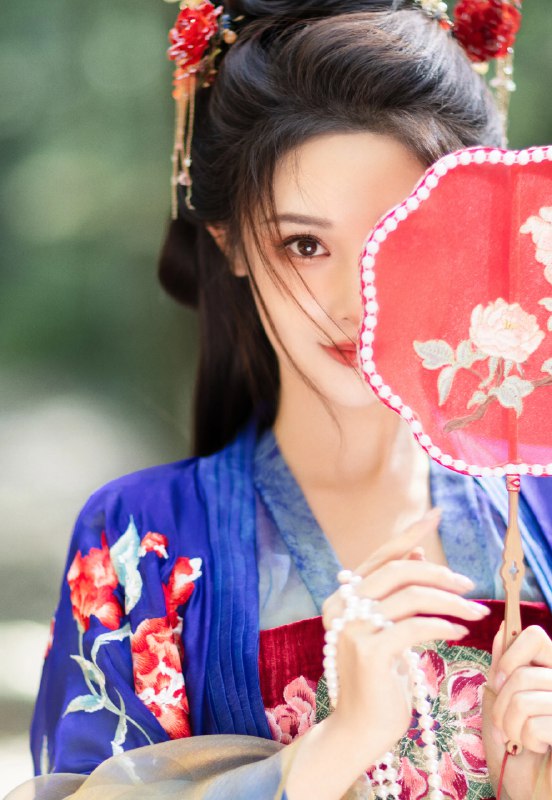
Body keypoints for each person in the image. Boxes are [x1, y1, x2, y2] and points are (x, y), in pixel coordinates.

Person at [14, 1, 552, 799]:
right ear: (230, 241)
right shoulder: (139, 545)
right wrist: (336, 745)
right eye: (305, 245)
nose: (356, 301)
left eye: (397, 236)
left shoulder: (539, 502)